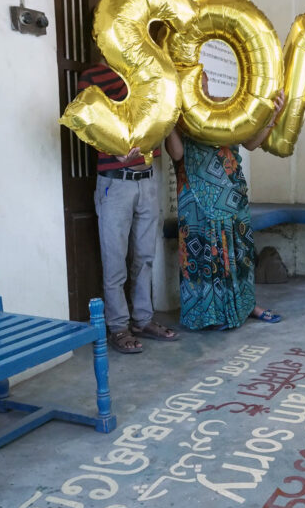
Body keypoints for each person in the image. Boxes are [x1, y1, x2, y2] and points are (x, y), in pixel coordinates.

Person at [165, 72, 286, 330]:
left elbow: (251, 143)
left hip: (232, 197)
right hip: (195, 200)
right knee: (200, 258)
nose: (203, 90)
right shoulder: (181, 115)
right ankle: (206, 315)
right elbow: (177, 153)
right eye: (197, 86)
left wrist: (272, 116)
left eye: (206, 84)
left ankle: (247, 305)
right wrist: (169, 117)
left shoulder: (225, 107)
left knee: (239, 255)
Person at [78, 61, 178, 354]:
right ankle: (118, 327)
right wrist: (111, 148)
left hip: (147, 179)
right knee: (115, 261)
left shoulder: (145, 69)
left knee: (145, 257)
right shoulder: (93, 76)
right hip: (114, 182)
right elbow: (85, 120)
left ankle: (143, 320)